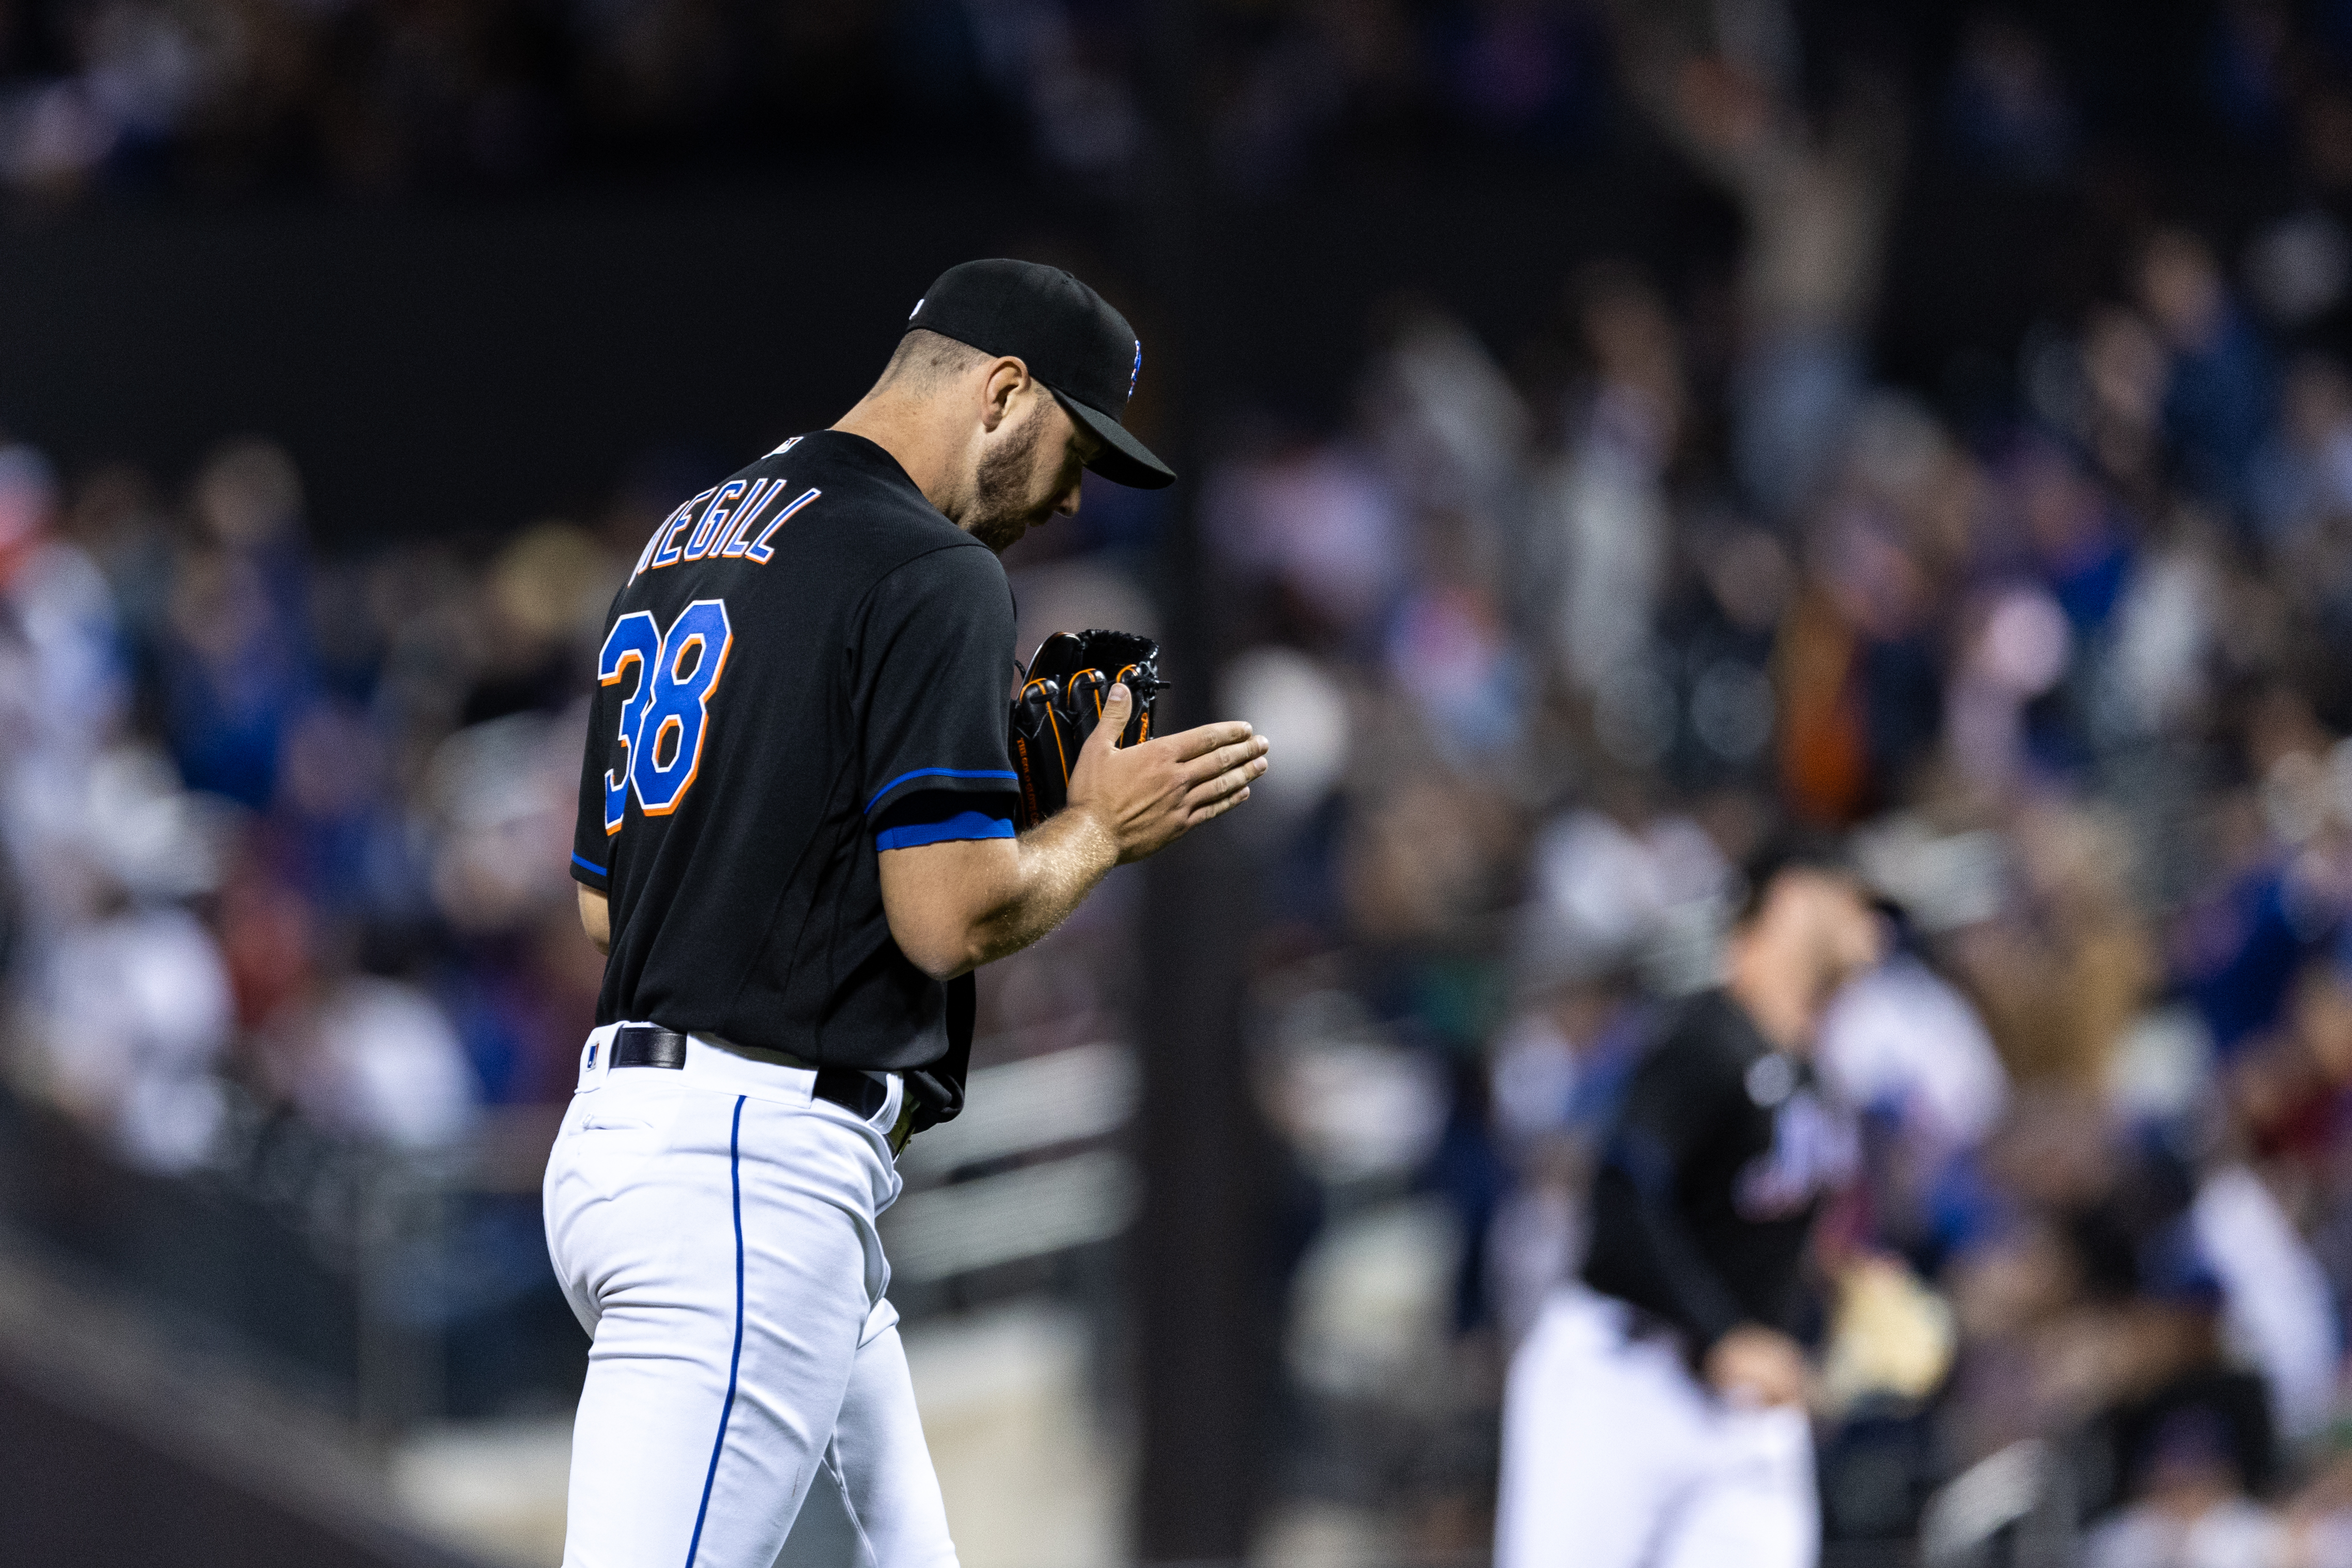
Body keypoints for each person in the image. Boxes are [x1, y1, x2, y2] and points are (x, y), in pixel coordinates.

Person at [546, 258, 1271, 1568]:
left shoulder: (693, 534)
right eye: (1073, 445)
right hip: (744, 1180)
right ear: (1003, 392)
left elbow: (611, 910)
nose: (1068, 495)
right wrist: (1093, 828)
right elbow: (950, 920)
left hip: (652, 1143)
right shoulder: (930, 570)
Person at [1493, 842, 1886, 1568]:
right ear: (1792, 897)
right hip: (1625, 1380)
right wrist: (1723, 1334)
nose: (1878, 924)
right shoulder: (1702, 1036)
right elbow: (1619, 1201)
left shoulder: (1810, 1071)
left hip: (1742, 1413)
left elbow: (1747, 1216)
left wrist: (1843, 1285)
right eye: (1859, 899)